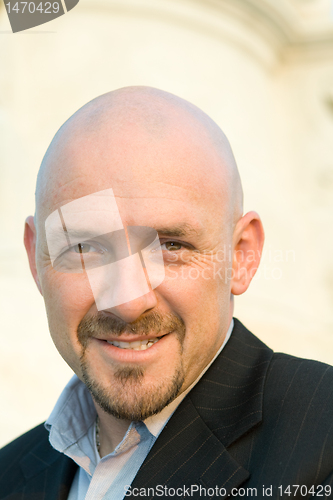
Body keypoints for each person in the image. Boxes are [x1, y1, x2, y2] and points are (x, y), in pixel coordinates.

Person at [0, 87, 332, 500]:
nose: (127, 301)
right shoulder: (8, 474)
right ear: (37, 259)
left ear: (242, 256)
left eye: (171, 246)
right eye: (85, 248)